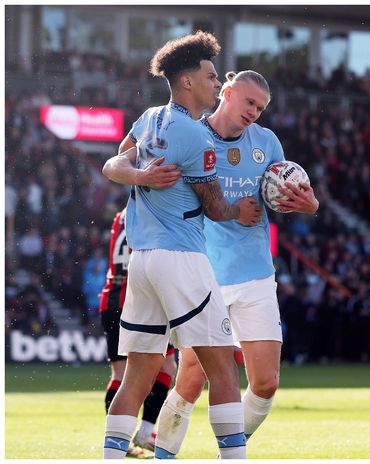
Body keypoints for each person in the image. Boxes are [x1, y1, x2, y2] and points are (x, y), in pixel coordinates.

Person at [100, 31, 260, 459]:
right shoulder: (196, 137)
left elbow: (112, 164)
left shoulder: (149, 118)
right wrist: (240, 210)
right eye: (210, 76)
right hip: (182, 259)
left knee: (136, 377)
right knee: (222, 369)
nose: (217, 84)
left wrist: (139, 176)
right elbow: (215, 208)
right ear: (187, 81)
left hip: (142, 262)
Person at [145, 71, 316, 458]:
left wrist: (310, 204)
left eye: (261, 108)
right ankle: (164, 455)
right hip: (205, 276)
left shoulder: (266, 142)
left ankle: (231, 446)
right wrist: (230, 211)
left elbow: (289, 189)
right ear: (227, 91)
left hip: (256, 276)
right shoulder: (192, 137)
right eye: (249, 102)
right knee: (191, 378)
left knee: (266, 384)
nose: (254, 112)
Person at [99, 206, 177, 457]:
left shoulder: (120, 216)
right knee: (166, 367)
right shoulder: (150, 210)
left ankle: (117, 439)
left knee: (121, 374)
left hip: (111, 298)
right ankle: (144, 431)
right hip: (141, 300)